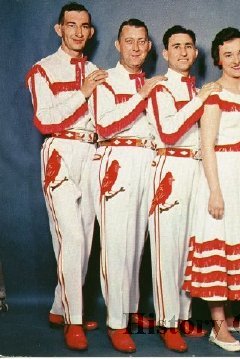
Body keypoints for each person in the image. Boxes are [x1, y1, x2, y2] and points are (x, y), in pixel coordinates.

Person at [182, 27, 240, 352]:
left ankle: (231, 316)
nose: (236, 60)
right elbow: (207, 146)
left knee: (237, 242)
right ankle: (217, 327)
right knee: (218, 244)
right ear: (218, 58)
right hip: (221, 174)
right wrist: (215, 191)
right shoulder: (213, 94)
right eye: (228, 54)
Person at [25, 2, 107, 351]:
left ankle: (61, 307)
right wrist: (83, 92)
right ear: (59, 29)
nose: (77, 31)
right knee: (70, 237)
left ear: (90, 31)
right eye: (70, 25)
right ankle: (74, 321)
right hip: (60, 150)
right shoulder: (42, 70)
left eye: (84, 26)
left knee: (85, 238)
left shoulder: (97, 71)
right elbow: (45, 120)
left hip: (92, 152)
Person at [91, 18, 165, 353]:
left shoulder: (154, 83)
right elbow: (105, 126)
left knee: (137, 242)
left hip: (146, 164)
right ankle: (116, 322)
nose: (135, 47)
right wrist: (142, 95)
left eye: (141, 41)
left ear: (149, 47)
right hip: (116, 160)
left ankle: (131, 311)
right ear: (118, 45)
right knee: (116, 244)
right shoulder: (105, 80)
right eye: (128, 41)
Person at [147, 25, 221, 353]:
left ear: (194, 52)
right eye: (176, 46)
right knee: (167, 249)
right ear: (165, 53)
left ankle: (184, 314)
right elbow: (168, 131)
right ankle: (167, 321)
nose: (182, 52)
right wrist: (202, 99)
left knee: (191, 247)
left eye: (188, 46)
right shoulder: (160, 88)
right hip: (170, 166)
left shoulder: (196, 89)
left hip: (195, 168)